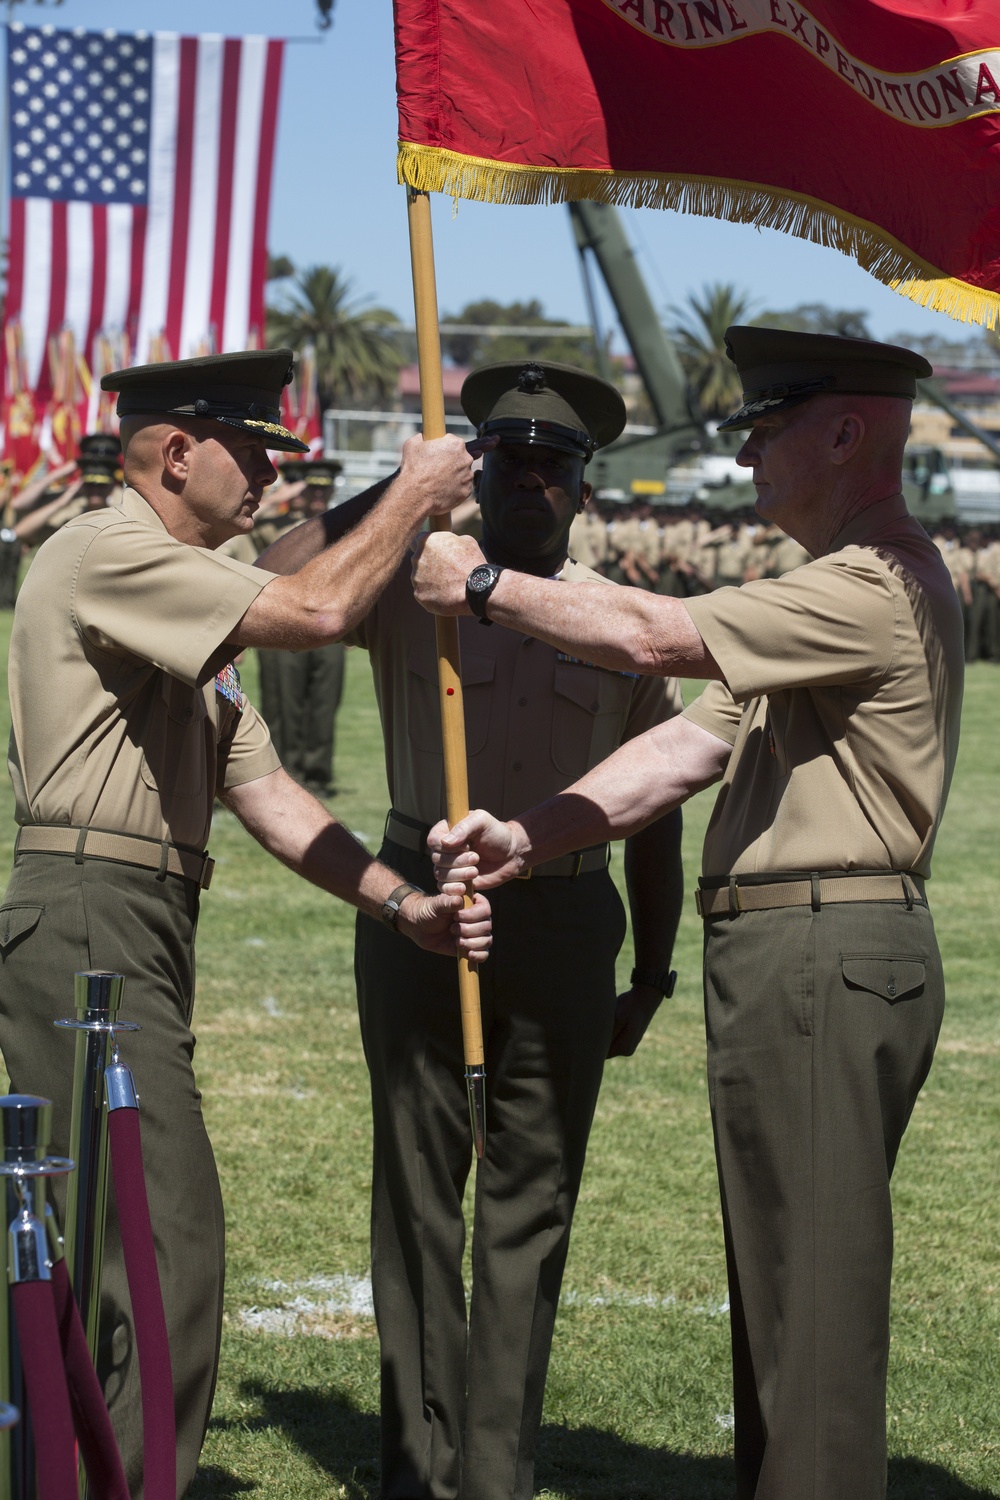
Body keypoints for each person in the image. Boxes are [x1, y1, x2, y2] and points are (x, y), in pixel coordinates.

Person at [413, 328, 964, 1500]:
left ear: (845, 433)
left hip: (824, 949)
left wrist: (479, 584)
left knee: (807, 1306)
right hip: (793, 955)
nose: (754, 457)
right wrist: (527, 836)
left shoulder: (872, 582)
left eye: (767, 433)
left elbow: (652, 638)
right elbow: (675, 750)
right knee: (778, 1287)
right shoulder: (834, 594)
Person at [0, 348, 491, 1499]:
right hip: (91, 916)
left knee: (126, 1252)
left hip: (130, 919)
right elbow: (321, 609)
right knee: (161, 1250)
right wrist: (412, 495)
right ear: (177, 453)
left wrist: (403, 903)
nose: (272, 476)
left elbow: (267, 796)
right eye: (256, 451)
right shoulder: (111, 549)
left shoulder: (174, 591)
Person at [346, 360, 685, 1500]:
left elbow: (655, 809)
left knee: (532, 1197)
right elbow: (272, 585)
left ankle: (494, 1470)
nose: (529, 478)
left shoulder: (611, 621)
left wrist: (655, 966)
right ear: (475, 470)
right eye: (507, 458)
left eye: (554, 464)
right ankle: (419, 1465)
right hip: (418, 898)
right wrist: (395, 499)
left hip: (566, 914)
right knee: (416, 1185)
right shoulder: (403, 584)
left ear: (584, 489)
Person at [257, 458, 347, 798]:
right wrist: (284, 494)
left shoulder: (342, 527)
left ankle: (318, 774)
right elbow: (253, 519)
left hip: (329, 627)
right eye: (314, 488)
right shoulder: (279, 525)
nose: (320, 496)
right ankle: (286, 772)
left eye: (325, 489)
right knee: (284, 700)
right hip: (284, 624)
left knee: (324, 703)